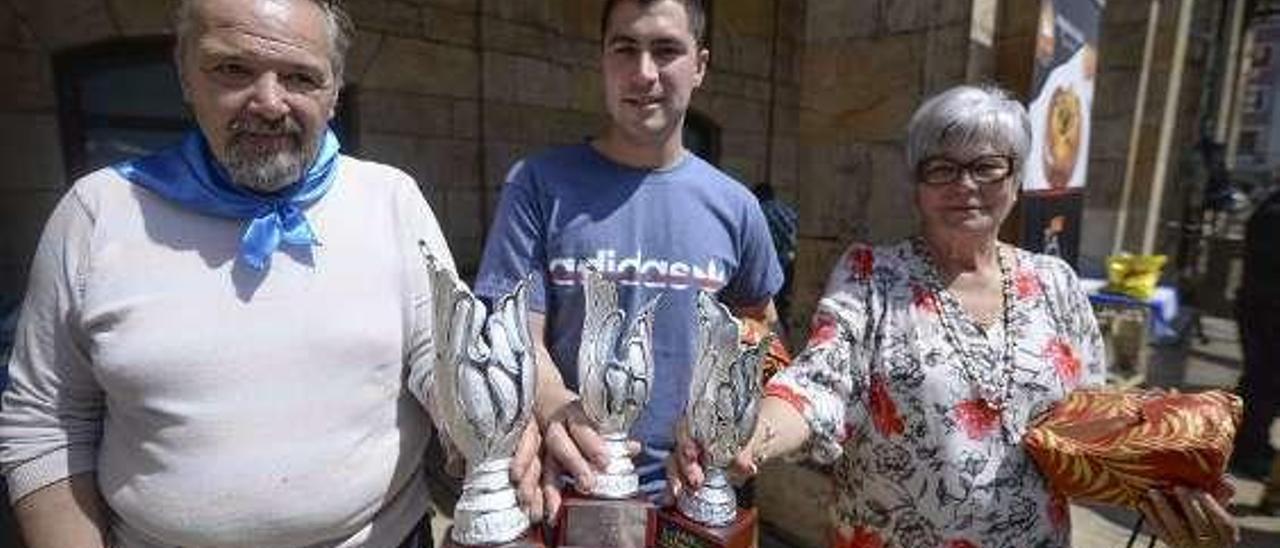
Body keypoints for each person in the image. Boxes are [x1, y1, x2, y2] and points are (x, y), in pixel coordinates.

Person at [0, 1, 539, 546]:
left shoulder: (390, 200)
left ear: (334, 92)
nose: (269, 102)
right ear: (185, 72)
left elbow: (441, 358)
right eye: (233, 69)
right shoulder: (98, 214)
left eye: (301, 77)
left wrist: (480, 434)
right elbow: (45, 426)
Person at [670, 85, 1239, 548]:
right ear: (917, 186)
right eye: (941, 168)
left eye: (987, 166)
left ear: (1015, 180)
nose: (965, 185)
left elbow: (1091, 431)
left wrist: (1166, 487)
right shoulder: (873, 275)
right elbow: (817, 385)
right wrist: (748, 435)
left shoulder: (1055, 283)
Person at [475, 0, 783, 515]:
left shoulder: (738, 207)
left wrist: (732, 421)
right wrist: (554, 406)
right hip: (570, 494)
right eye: (625, 49)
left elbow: (762, 332)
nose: (644, 73)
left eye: (666, 50)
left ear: (700, 65)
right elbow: (515, 335)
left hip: (690, 501)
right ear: (603, 59)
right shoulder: (536, 184)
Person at [1233, 185, 1280, 479]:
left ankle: (1250, 445)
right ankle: (1247, 450)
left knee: (1261, 383)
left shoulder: (1270, 207)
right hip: (1267, 311)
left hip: (1261, 307)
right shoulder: (1273, 214)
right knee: (1264, 384)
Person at [753, 183, 799, 328]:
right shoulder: (787, 210)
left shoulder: (758, 211)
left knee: (771, 307)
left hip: (773, 267)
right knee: (785, 305)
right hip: (792, 263)